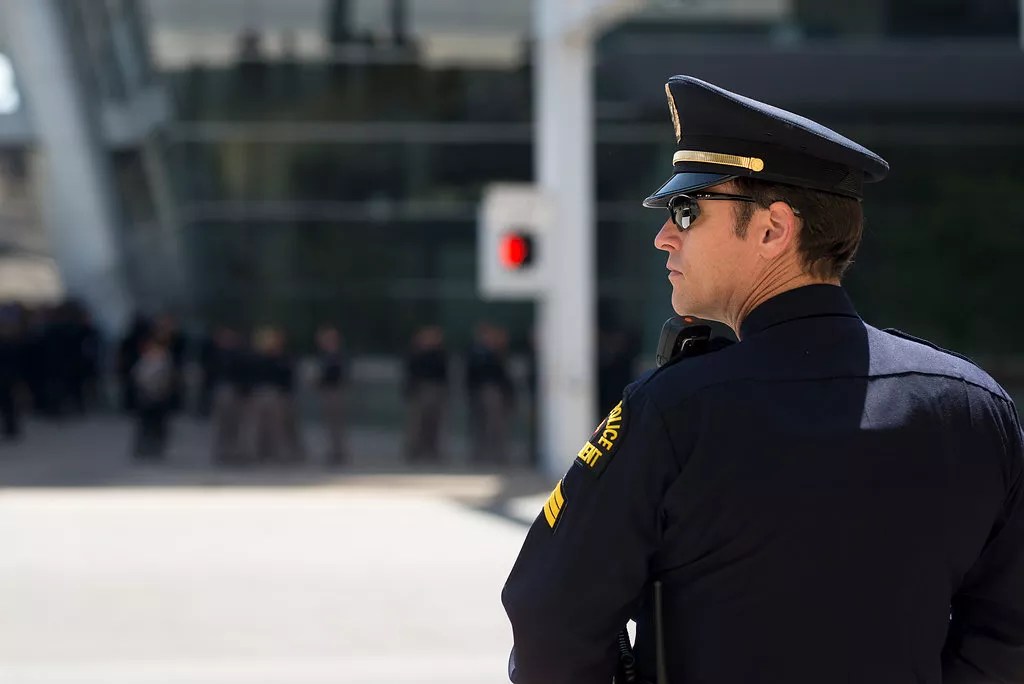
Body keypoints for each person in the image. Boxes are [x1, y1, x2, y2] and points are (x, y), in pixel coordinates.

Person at [501, 75, 1024, 684]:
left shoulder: (675, 411)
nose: (664, 236)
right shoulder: (972, 407)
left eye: (687, 210)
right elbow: (1008, 634)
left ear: (774, 229)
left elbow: (550, 622)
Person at [315, 325, 350, 466]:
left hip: (335, 391)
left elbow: (337, 375)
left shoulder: (338, 356)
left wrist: (321, 380)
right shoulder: (326, 356)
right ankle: (335, 450)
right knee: (331, 425)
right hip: (328, 392)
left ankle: (338, 451)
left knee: (336, 424)